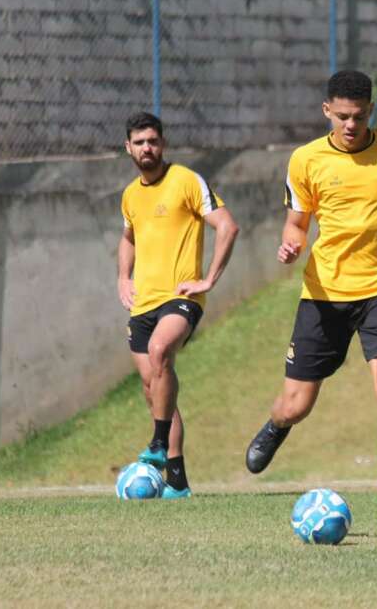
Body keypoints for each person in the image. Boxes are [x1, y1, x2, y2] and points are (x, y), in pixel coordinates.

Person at [244, 70, 377, 541]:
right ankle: (278, 424)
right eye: (341, 116)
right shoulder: (305, 160)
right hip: (324, 294)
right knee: (297, 404)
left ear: (371, 111)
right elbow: (297, 222)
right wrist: (291, 245)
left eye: (359, 116)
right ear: (326, 111)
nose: (350, 125)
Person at [118, 111, 239, 498]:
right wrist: (123, 277)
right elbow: (128, 237)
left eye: (153, 140)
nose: (147, 148)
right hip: (143, 304)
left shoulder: (186, 180)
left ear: (163, 144)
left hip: (181, 298)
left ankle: (155, 445)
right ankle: (178, 482)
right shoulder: (131, 194)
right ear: (129, 148)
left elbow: (228, 225)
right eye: (139, 142)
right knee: (154, 389)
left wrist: (209, 279)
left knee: (160, 351)